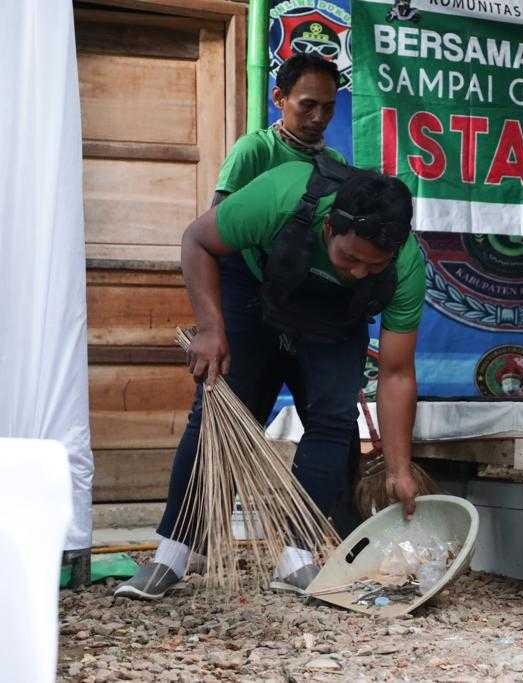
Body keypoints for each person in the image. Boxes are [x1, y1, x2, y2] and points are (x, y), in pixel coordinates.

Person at [114, 151, 425, 602]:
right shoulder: (281, 195)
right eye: (350, 258)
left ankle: (296, 559)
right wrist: (210, 328)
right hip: (255, 290)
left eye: (373, 267)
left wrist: (399, 468)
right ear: (328, 227)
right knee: (218, 414)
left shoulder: (407, 267)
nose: (359, 271)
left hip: (334, 322)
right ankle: (171, 554)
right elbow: (196, 240)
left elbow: (396, 373)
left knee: (335, 420)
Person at [214, 52, 345, 205]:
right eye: (308, 105)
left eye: (328, 108)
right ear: (278, 98)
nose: (319, 117)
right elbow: (215, 223)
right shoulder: (254, 151)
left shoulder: (335, 162)